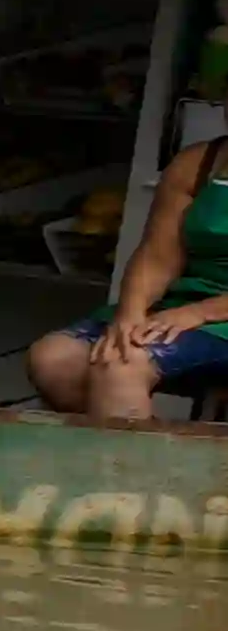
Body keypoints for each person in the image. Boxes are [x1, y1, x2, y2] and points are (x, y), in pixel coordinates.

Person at [29, 104, 228, 424]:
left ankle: (133, 472)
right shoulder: (199, 164)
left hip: (211, 314)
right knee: (54, 360)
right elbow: (156, 257)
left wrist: (199, 313)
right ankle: (156, 457)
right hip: (183, 306)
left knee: (124, 365)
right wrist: (130, 314)